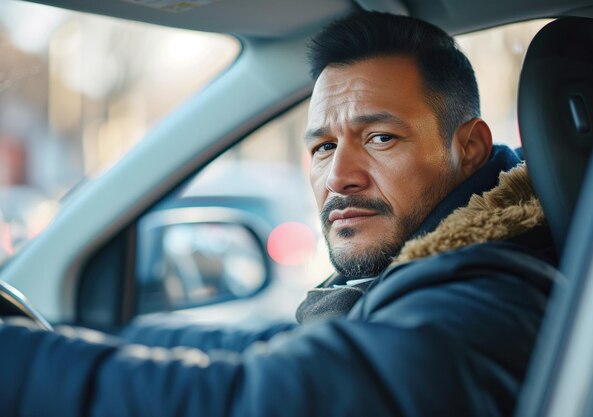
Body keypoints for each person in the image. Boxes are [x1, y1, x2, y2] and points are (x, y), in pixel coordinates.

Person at [0, 11, 558, 417]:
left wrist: (19, 364)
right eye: (322, 148)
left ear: (474, 148)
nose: (339, 176)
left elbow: (263, 398)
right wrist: (89, 334)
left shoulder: (493, 294)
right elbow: (273, 347)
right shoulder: (438, 272)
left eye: (381, 137)